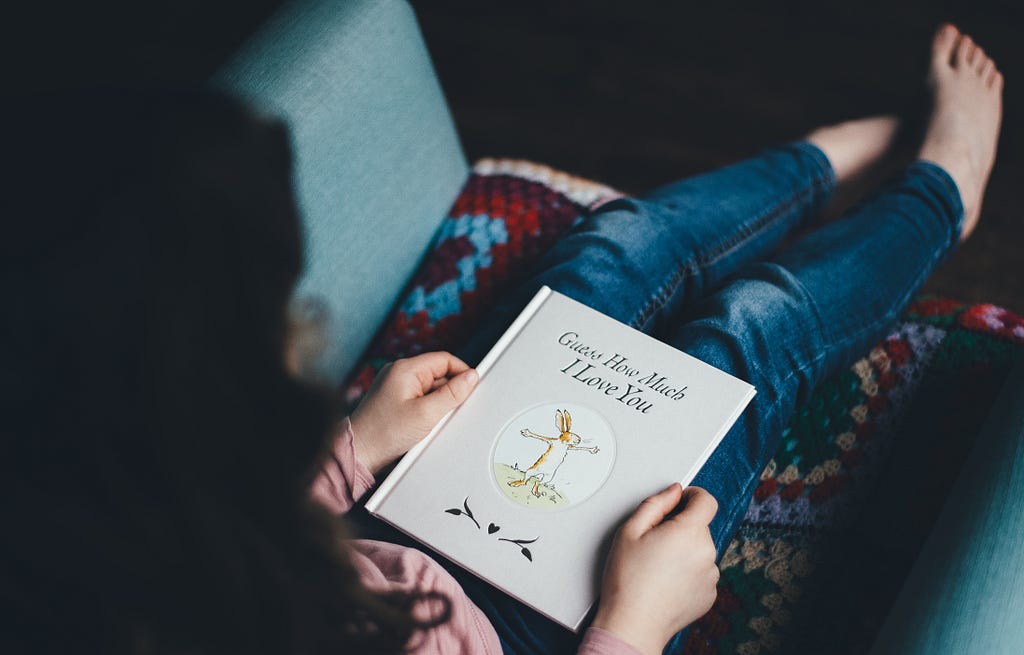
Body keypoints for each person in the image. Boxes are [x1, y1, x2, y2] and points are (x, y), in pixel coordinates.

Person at [2, 23, 1001, 655]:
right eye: (280, 335)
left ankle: (816, 170)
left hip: (389, 527)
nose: (304, 340)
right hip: (540, 623)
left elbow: (220, 510)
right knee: (747, 331)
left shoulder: (113, 525)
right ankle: (936, 200)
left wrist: (357, 444)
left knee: (610, 248)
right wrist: (634, 625)